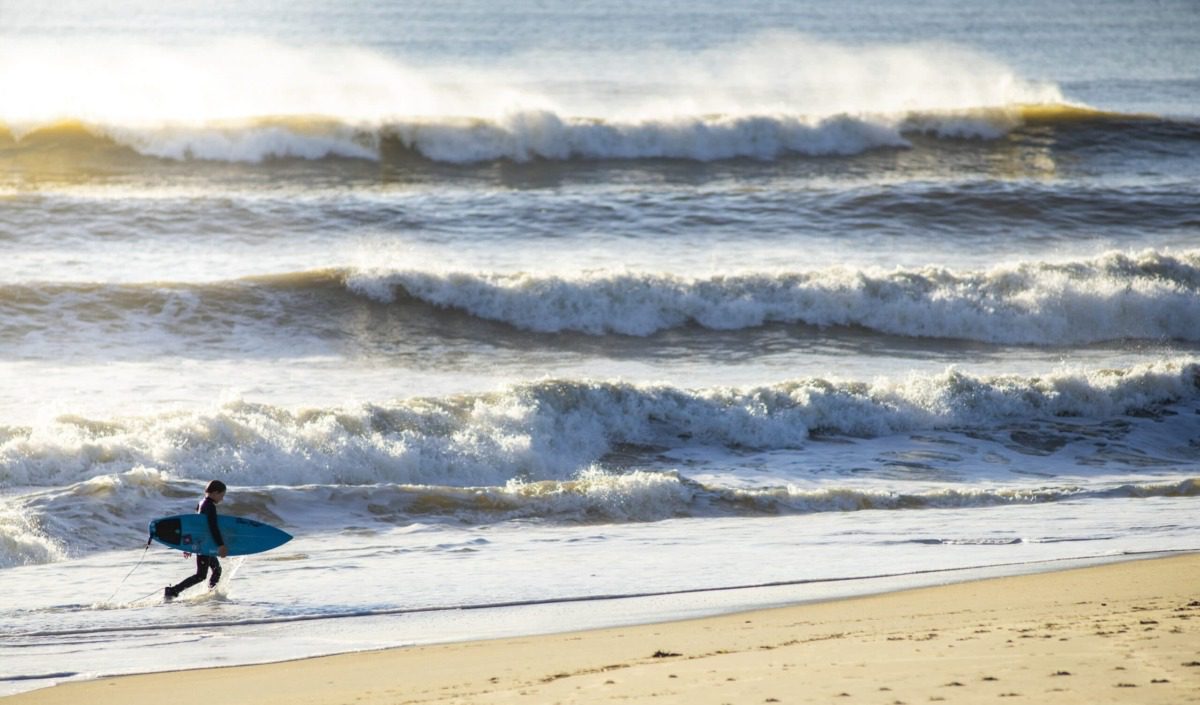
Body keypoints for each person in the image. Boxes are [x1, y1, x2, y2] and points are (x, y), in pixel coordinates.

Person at [164, 480, 228, 600]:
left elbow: (194, 526)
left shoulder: (201, 503)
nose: (222, 499)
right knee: (201, 575)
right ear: (215, 493)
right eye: (222, 495)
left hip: (201, 543)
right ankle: (173, 591)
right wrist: (221, 545)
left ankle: (211, 593)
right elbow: (212, 527)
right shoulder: (210, 507)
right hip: (203, 545)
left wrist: (188, 545)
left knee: (217, 569)